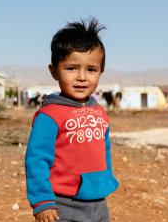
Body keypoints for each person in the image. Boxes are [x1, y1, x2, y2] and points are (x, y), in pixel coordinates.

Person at [25, 18, 119, 222]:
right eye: (71, 68)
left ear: (100, 72)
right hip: (62, 205)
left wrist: (106, 179)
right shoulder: (49, 115)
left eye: (91, 70)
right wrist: (42, 201)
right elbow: (37, 160)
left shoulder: (99, 112)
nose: (82, 77)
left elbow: (105, 150)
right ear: (54, 71)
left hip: (99, 203)